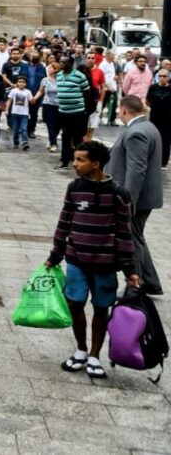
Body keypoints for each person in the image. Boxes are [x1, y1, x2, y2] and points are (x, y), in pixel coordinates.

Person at [45, 141, 138, 379]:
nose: (74, 164)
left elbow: (125, 233)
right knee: (75, 304)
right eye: (74, 159)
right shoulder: (74, 188)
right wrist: (55, 255)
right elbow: (64, 222)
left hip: (105, 263)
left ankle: (95, 355)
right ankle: (81, 349)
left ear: (95, 164)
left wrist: (130, 269)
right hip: (76, 259)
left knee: (101, 307)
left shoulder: (119, 194)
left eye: (80, 160)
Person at [105, 95, 164, 295]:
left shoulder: (136, 132)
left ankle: (135, 286)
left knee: (131, 240)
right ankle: (150, 282)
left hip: (136, 199)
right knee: (136, 237)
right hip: (145, 197)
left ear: (123, 110)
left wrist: (128, 201)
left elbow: (136, 170)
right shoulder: (148, 127)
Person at [55, 54, 91, 169]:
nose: (61, 64)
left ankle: (80, 160)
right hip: (63, 112)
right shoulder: (59, 75)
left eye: (64, 62)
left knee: (77, 138)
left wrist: (85, 111)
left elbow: (87, 93)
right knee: (65, 136)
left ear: (70, 63)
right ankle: (64, 160)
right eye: (60, 61)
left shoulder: (79, 76)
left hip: (77, 112)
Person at [34, 62, 61, 153]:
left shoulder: (61, 80)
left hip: (59, 105)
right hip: (48, 104)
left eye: (50, 68)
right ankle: (54, 144)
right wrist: (35, 98)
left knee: (58, 125)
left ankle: (52, 139)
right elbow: (40, 91)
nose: (48, 70)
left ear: (56, 70)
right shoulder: (45, 80)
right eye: (48, 68)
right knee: (50, 124)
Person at [147, 69, 171, 169]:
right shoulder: (153, 88)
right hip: (155, 118)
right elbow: (148, 100)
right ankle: (151, 159)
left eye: (164, 76)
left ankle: (164, 161)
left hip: (168, 119)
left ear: (168, 77)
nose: (162, 78)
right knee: (153, 139)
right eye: (160, 76)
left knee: (166, 140)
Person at [7, 75, 32, 150]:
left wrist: (34, 99)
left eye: (23, 82)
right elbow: (9, 101)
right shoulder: (14, 91)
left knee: (24, 129)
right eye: (20, 82)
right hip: (14, 113)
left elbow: (31, 101)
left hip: (24, 114)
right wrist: (7, 110)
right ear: (17, 83)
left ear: (26, 84)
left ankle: (24, 142)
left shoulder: (28, 92)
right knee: (15, 130)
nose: (21, 83)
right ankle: (16, 142)